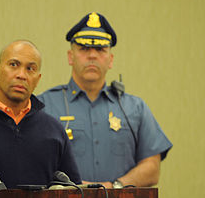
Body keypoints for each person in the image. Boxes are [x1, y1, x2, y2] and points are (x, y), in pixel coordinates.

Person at [39, 12, 172, 188]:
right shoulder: (45, 106)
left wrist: (114, 186)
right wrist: (75, 187)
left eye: (101, 49)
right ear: (70, 57)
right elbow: (32, 163)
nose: (92, 56)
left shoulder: (134, 108)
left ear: (110, 60)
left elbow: (152, 169)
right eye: (84, 48)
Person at [0, 40, 80, 188]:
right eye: (13, 65)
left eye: (30, 68)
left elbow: (73, 192)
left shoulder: (54, 130)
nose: (21, 75)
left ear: (38, 79)